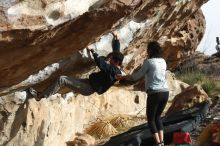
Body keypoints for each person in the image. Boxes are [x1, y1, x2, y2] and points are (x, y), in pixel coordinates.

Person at [117, 41, 169, 146]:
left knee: (150, 119)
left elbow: (136, 77)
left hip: (155, 93)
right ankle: (161, 143)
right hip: (165, 92)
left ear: (150, 50)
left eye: (147, 49)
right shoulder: (163, 61)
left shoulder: (149, 62)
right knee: (158, 117)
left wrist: (124, 77)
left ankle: (158, 144)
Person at [28, 48, 124, 101]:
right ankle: (43, 94)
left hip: (88, 88)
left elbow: (102, 64)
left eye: (111, 59)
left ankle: (40, 96)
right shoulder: (116, 70)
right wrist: (116, 39)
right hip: (88, 83)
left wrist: (94, 52)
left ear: (116, 62)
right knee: (64, 79)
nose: (109, 60)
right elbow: (115, 52)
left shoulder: (114, 71)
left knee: (62, 79)